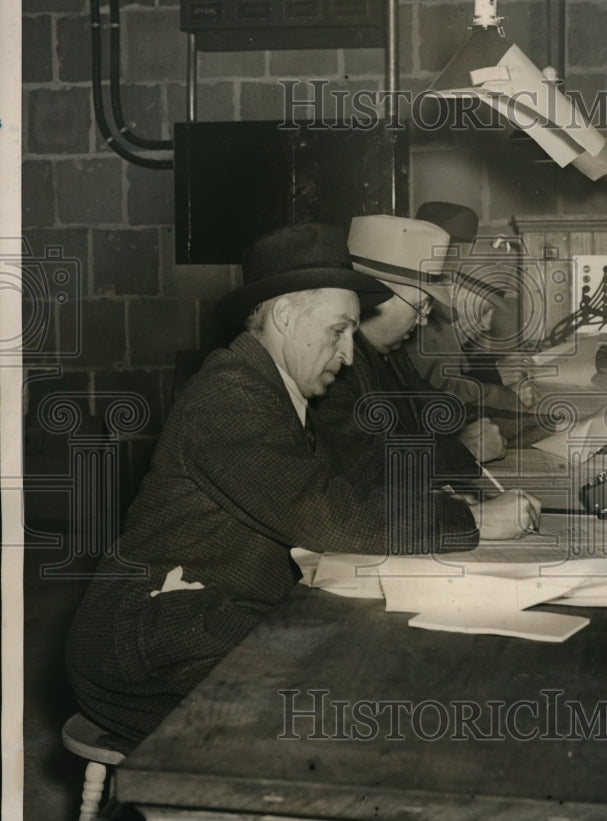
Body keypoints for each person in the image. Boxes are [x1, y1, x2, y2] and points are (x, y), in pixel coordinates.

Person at [66, 223, 539, 743]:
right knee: (363, 701)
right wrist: (471, 520)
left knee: (382, 668)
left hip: (208, 612)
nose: (349, 354)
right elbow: (324, 512)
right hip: (152, 640)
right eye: (338, 330)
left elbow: (339, 493)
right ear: (286, 316)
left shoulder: (276, 392)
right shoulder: (231, 396)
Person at [310, 214, 512, 483]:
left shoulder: (388, 356)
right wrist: (465, 449)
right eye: (420, 305)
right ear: (375, 296)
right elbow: (365, 468)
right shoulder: (332, 368)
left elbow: (441, 407)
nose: (424, 319)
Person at [407, 203, 538, 438]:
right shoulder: (421, 308)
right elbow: (440, 388)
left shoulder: (435, 294)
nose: (485, 324)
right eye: (483, 311)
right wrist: (507, 393)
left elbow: (453, 369)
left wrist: (495, 371)